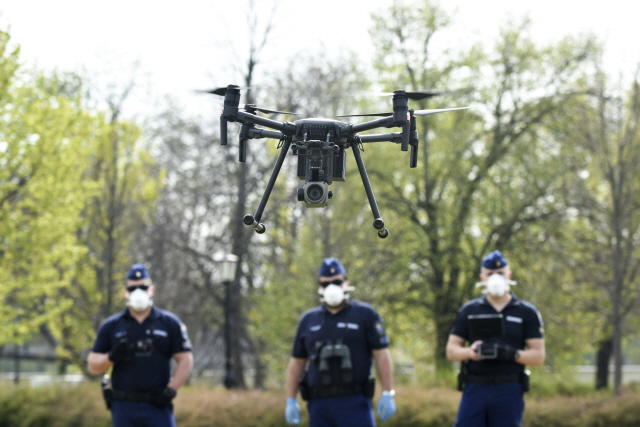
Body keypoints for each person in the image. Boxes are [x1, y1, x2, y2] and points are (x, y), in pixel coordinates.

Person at [284, 257, 397, 427]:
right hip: (319, 405)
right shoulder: (309, 320)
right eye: (325, 284)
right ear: (320, 287)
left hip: (355, 402)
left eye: (336, 281)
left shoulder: (365, 315)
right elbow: (297, 362)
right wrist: (291, 399)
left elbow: (381, 354)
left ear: (346, 283)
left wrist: (387, 393)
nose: (332, 287)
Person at [446, 250, 545, 427]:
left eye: (500, 274)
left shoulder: (526, 312)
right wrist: (470, 352)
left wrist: (512, 354)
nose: (495, 278)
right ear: (482, 277)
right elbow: (452, 350)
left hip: (509, 387)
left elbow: (538, 356)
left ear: (509, 275)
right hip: (475, 386)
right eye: (490, 274)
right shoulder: (469, 310)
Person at [87, 263, 193, 427]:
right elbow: (93, 366)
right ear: (125, 293)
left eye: (143, 287)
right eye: (132, 288)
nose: (138, 292)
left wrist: (171, 390)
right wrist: (111, 357)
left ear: (152, 290)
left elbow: (185, 358)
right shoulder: (112, 325)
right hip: (124, 406)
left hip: (158, 405)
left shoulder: (169, 323)